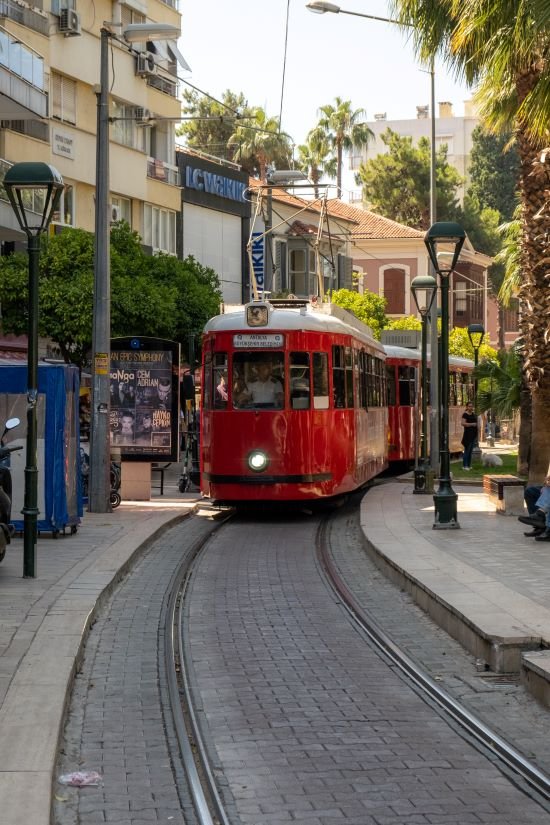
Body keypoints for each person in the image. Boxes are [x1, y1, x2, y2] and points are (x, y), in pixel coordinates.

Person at [461, 401, 478, 470]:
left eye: (471, 406)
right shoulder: (465, 414)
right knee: (467, 450)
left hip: (473, 434)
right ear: (467, 407)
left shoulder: (473, 414)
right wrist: (472, 424)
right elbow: (463, 423)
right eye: (469, 406)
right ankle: (464, 466)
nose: (471, 407)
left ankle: (468, 465)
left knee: (470, 451)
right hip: (467, 435)